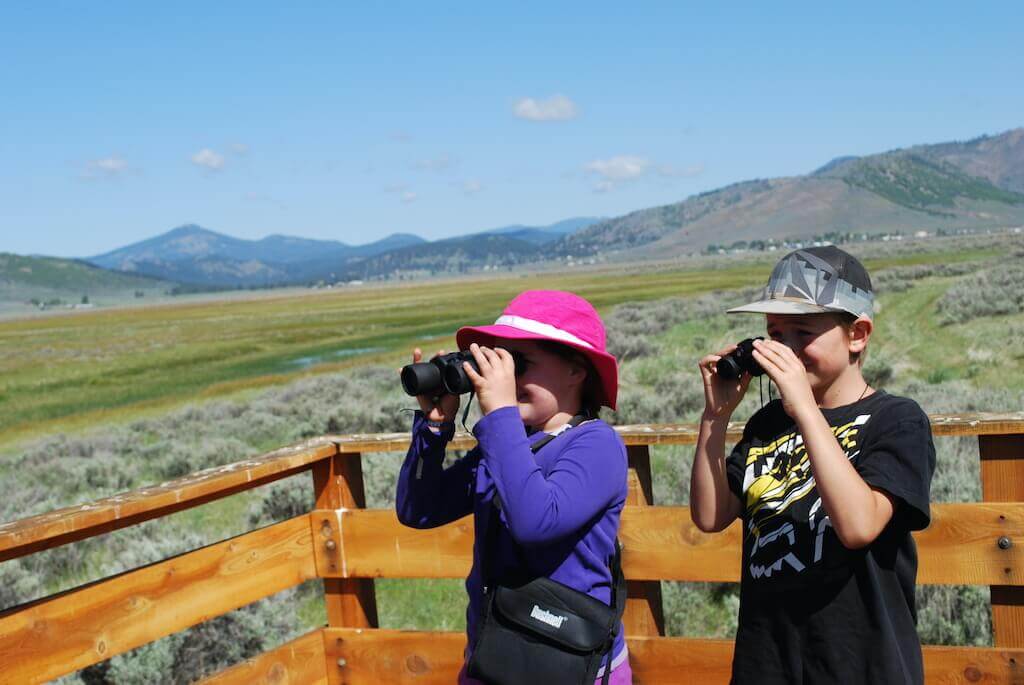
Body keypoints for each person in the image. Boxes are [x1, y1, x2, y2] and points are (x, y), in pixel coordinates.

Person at [689, 246, 935, 684]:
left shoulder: (896, 420)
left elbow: (860, 526)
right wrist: (715, 418)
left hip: (860, 664)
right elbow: (711, 515)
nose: (783, 349)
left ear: (857, 335)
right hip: (767, 663)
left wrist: (804, 407)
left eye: (802, 332)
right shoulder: (769, 422)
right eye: (774, 333)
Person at [396, 290, 632, 684]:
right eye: (497, 360)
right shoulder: (510, 444)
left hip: (571, 667)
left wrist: (501, 414)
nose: (503, 378)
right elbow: (418, 510)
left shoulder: (596, 444)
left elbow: (535, 521)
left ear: (577, 371)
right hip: (493, 658)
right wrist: (434, 428)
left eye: (518, 363)